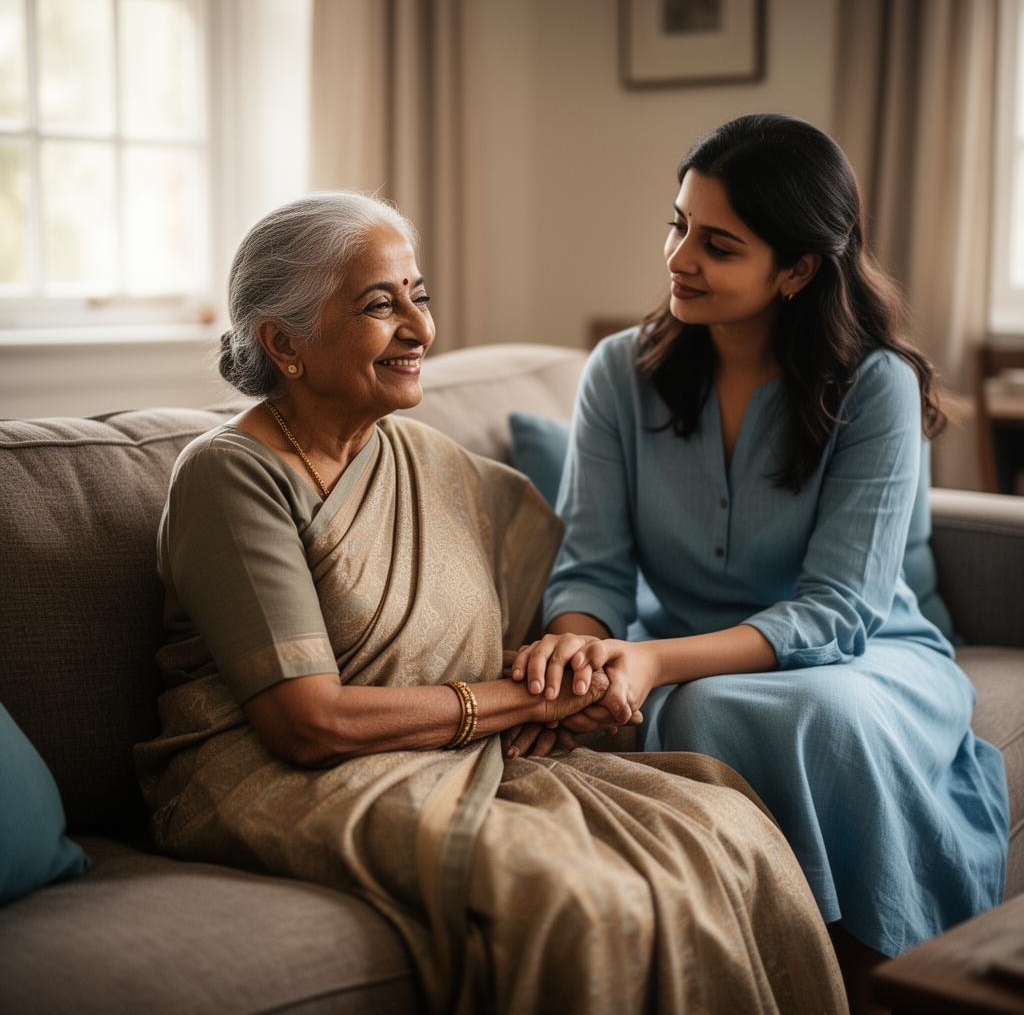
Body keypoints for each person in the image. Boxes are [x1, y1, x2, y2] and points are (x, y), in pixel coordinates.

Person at [134, 191, 847, 1015]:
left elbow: (564, 593)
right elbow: (309, 723)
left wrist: (571, 668)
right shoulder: (230, 475)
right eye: (379, 304)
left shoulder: (430, 460)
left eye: (419, 295)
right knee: (578, 898)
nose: (421, 329)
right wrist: (519, 701)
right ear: (285, 344)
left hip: (448, 750)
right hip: (269, 770)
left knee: (729, 831)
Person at [512, 114, 1010, 1013]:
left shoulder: (876, 384)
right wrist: (577, 648)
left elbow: (836, 613)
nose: (677, 258)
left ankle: (867, 979)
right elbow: (592, 569)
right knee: (705, 697)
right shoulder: (618, 374)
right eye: (677, 224)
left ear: (797, 269)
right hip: (676, 651)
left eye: (718, 244)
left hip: (868, 658)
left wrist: (652, 660)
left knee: (774, 707)